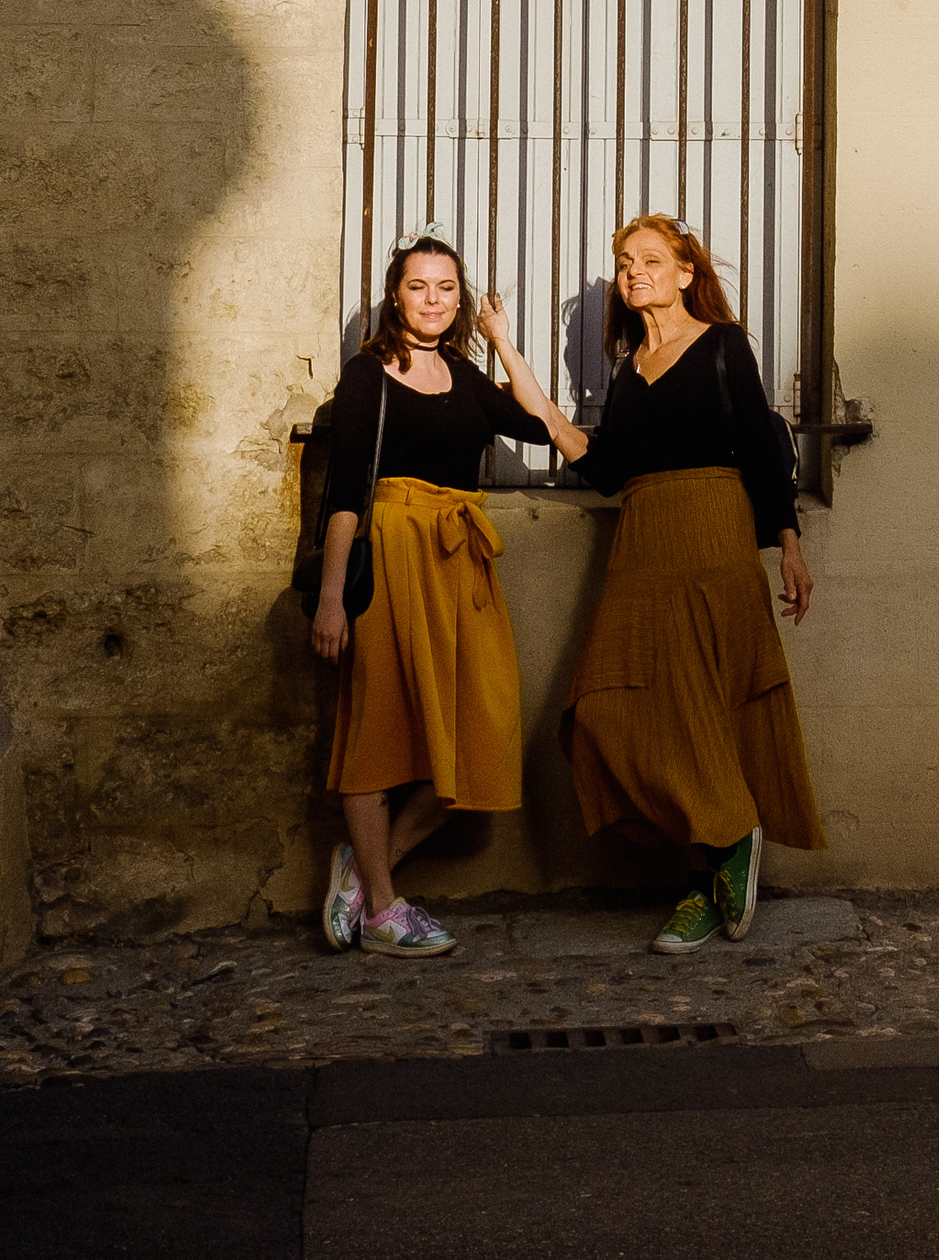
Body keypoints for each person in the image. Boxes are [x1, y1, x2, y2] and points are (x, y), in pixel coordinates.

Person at [310, 228, 588, 956]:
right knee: (378, 732)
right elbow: (345, 495)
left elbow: (541, 428)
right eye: (416, 286)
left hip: (460, 564)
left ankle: (367, 871)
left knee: (478, 730)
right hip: (394, 557)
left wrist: (502, 342)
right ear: (394, 296)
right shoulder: (367, 376)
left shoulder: (465, 374)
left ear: (459, 300)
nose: (432, 300)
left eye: (445, 288)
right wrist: (333, 598)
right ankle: (383, 910)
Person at [564, 214, 825, 954]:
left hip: (712, 527)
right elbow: (610, 471)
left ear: (685, 273)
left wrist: (788, 547)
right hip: (642, 540)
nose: (633, 272)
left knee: (701, 706)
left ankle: (702, 881)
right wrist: (537, 402)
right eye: (623, 262)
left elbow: (761, 454)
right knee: (606, 711)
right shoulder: (625, 369)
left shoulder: (720, 346)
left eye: (650, 259)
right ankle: (727, 836)